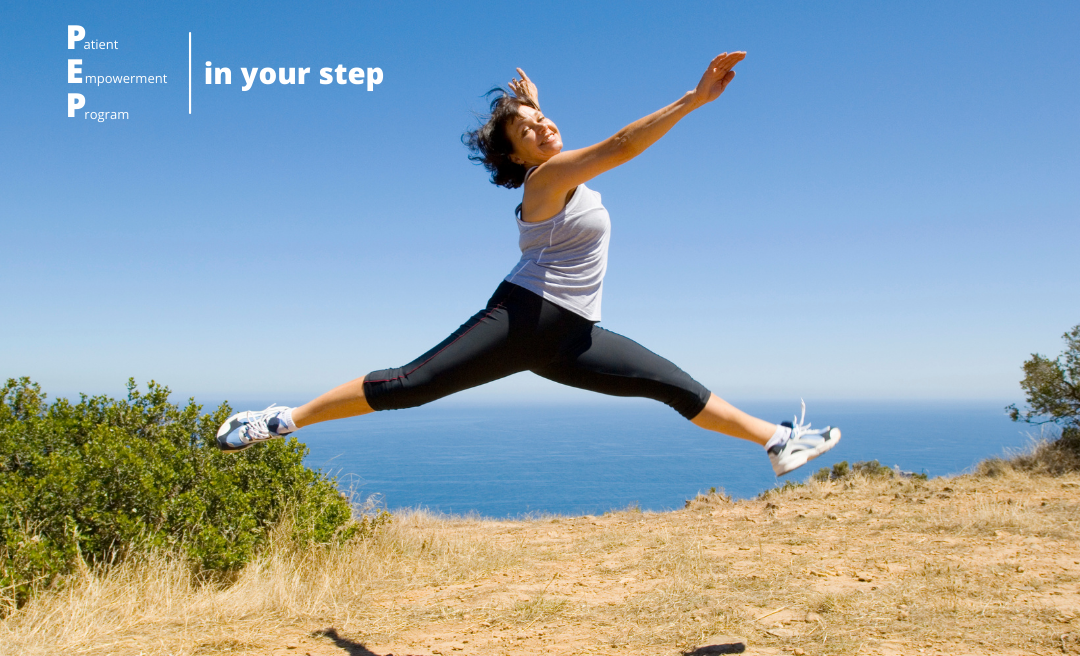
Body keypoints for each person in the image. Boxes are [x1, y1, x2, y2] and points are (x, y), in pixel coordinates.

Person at [216, 52, 840, 477]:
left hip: (570, 335)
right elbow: (623, 145)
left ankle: (777, 441)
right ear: (517, 160)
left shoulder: (552, 164)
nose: (542, 126)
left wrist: (530, 106)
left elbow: (556, 135)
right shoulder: (545, 180)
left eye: (541, 120)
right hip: (523, 317)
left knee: (674, 386)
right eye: (528, 130)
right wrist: (693, 99)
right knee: (412, 384)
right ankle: (279, 418)